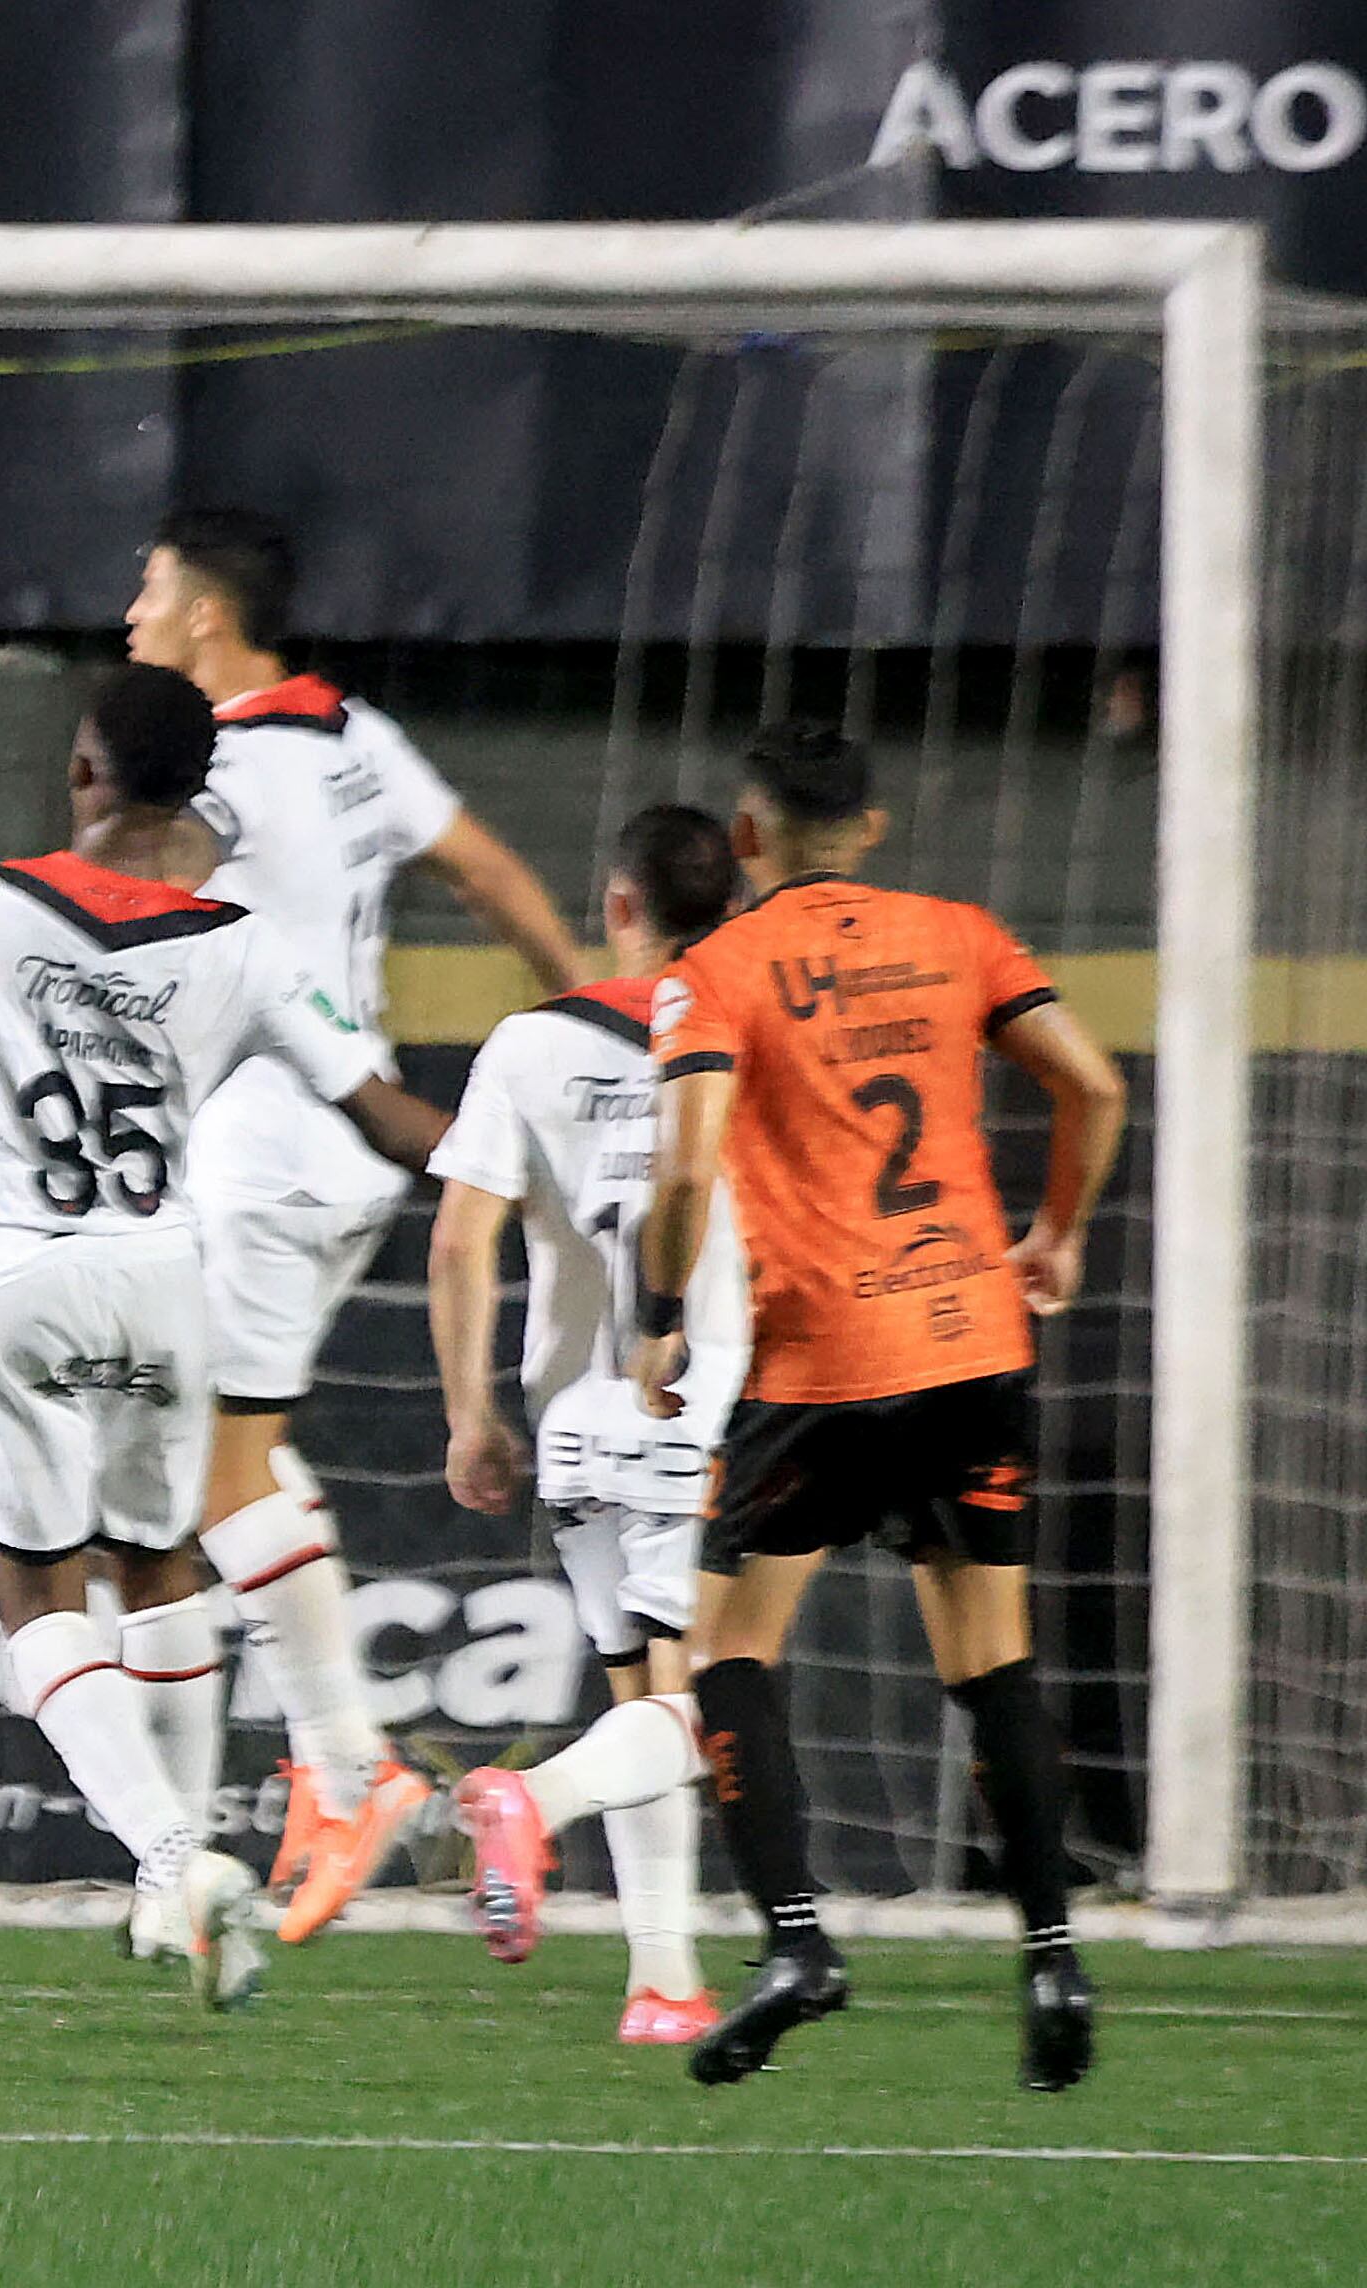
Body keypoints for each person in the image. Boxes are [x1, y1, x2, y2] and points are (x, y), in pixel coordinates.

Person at [0, 664, 448, 2010]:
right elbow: (387, 1116)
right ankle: (176, 1899)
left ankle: (176, 1857)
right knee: (161, 1567)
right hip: (163, 1288)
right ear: (196, 796)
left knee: (37, 1599)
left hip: (15, 1282)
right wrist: (515, 1171)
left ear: (83, 772)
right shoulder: (243, 942)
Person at [629, 723, 1128, 2091]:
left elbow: (685, 1173)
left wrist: (660, 1316)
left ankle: (796, 1943)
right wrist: (1058, 1231)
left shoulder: (716, 969)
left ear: (748, 835)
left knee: (727, 1648)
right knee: (994, 1663)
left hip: (824, 1364)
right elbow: (1092, 1082)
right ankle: (1054, 1954)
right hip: (972, 1342)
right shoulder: (962, 934)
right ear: (876, 826)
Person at [125, 506, 591, 1942]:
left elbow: (133, 897)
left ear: (206, 617)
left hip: (262, 1155)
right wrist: (592, 1014)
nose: (131, 616)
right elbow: (489, 873)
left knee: (204, 1480)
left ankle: (349, 1771)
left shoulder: (213, 766)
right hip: (343, 1143)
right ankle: (303, 1788)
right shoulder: (351, 735)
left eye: (148, 592)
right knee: (231, 1458)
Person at [426, 803, 748, 2045]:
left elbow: (462, 1240)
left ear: (618, 904)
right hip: (698, 1396)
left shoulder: (526, 1043)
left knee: (645, 1698)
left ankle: (663, 1981)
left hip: (576, 1416)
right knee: (711, 1702)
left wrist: (470, 1414)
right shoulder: (744, 1028)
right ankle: (534, 1798)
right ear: (730, 910)